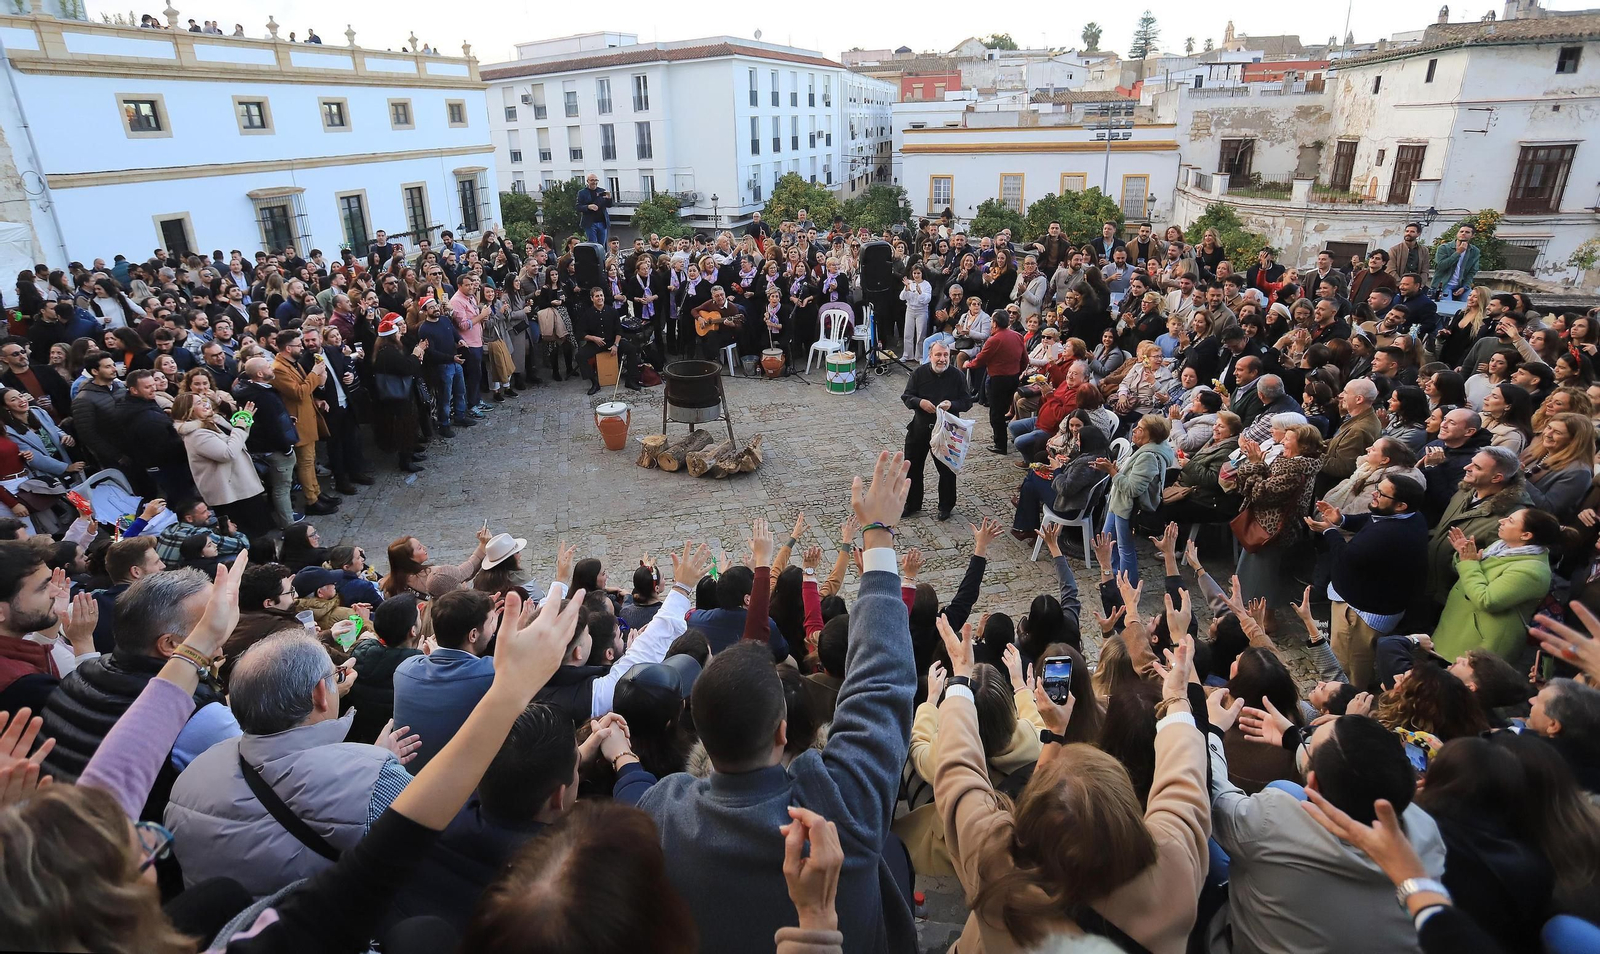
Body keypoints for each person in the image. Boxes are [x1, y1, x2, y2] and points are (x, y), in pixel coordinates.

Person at [610, 453, 919, 954]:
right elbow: (882, 683)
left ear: (698, 734)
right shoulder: (840, 806)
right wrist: (877, 534)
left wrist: (619, 756)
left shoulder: (665, 814)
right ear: (782, 732)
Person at [933, 616, 1209, 953]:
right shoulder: (1173, 871)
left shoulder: (996, 867)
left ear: (1028, 826)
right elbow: (1184, 783)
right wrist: (1177, 699)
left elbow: (959, 772)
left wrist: (961, 678)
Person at [165, 630, 419, 897]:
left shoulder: (192, 774)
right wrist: (379, 763)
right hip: (314, 935)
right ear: (320, 694)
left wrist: (367, 761)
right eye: (336, 676)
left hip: (220, 933)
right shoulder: (379, 779)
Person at [1306, 475, 1430, 690]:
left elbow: (1346, 558)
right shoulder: (1410, 516)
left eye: (1381, 493)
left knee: (1349, 662)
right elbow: (1370, 520)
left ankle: (1346, 699)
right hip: (1368, 600)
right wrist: (1342, 520)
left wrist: (1328, 530)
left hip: (1360, 612)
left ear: (1401, 505)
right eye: (1376, 488)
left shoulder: (1387, 534)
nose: (1374, 494)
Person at [1434, 507, 1560, 661]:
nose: (1502, 521)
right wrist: (1464, 555)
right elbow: (1470, 572)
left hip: (1475, 645)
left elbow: (1487, 600)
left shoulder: (1532, 571)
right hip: (1457, 629)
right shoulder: (1501, 547)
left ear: (1526, 535)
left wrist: (1469, 562)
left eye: (1510, 521)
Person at [1425, 447, 1533, 611]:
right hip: (1428, 583)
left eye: (1477, 467)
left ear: (1496, 478)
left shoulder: (1509, 518)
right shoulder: (1465, 491)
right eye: (1471, 463)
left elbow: (1491, 568)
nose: (1466, 468)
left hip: (1451, 598)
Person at [1235, 423, 1325, 610]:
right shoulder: (1293, 464)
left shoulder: (1294, 470)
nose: (1282, 441)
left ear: (1303, 446)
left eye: (1288, 439)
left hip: (1271, 529)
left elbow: (1259, 493)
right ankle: (1250, 612)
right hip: (1264, 525)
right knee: (1253, 574)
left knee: (1261, 578)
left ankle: (1264, 619)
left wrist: (1254, 465)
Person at [1094, 415, 1176, 583]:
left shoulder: (1148, 456)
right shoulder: (1142, 448)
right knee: (1108, 539)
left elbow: (1133, 489)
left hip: (1127, 507)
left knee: (1125, 549)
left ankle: (1128, 585)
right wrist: (1117, 470)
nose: (1135, 430)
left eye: (1140, 429)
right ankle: (1114, 575)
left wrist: (1112, 472)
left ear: (1151, 435)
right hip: (1118, 503)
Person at [901, 342, 973, 521]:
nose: (942, 359)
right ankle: (912, 504)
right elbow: (907, 396)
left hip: (946, 432)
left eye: (945, 355)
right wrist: (920, 402)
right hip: (920, 429)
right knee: (912, 468)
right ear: (930, 355)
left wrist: (952, 404)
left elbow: (967, 401)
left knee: (947, 470)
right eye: (938, 355)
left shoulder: (956, 375)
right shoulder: (919, 373)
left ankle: (946, 506)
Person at [960, 308, 1027, 455]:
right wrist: (1018, 372)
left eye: (991, 320)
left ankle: (1000, 444)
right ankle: (999, 435)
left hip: (998, 380)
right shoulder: (1017, 336)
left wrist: (968, 364)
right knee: (1002, 409)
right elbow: (1024, 359)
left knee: (996, 412)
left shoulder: (994, 339)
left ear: (995, 324)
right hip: (1013, 377)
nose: (990, 323)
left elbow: (981, 359)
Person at [576, 174, 612, 245]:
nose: (594, 182)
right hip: (590, 223)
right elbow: (578, 207)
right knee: (593, 244)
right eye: (592, 180)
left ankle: (601, 256)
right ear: (587, 181)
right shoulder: (582, 193)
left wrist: (609, 198)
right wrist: (588, 207)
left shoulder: (602, 191)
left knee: (602, 245)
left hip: (602, 222)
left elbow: (609, 205)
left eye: (596, 180)